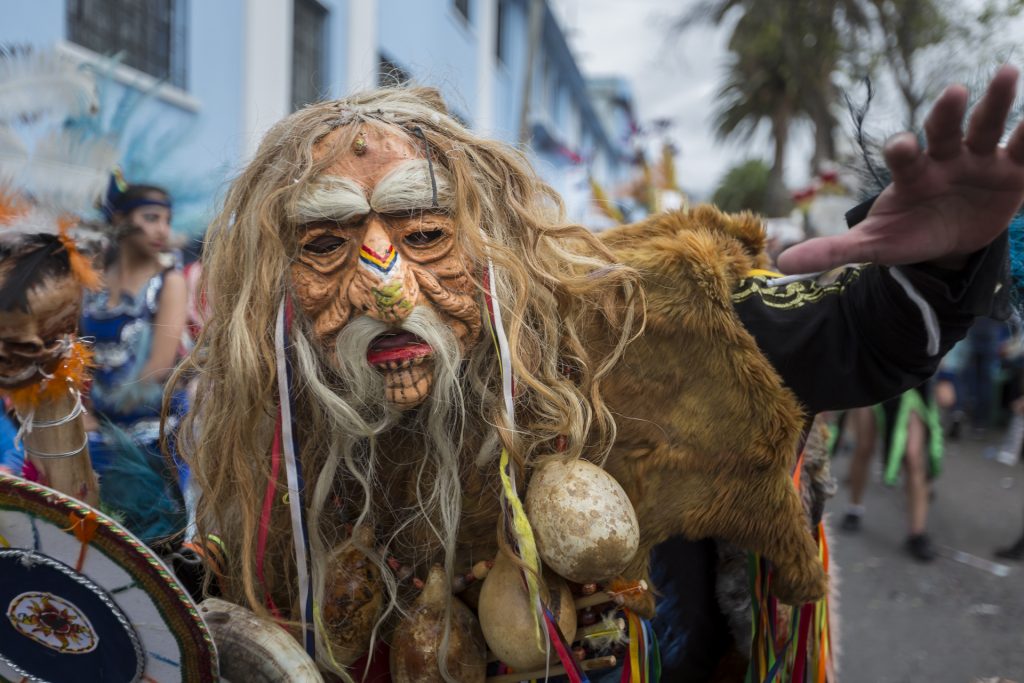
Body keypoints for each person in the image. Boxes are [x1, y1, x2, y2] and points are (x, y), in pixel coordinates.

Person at [171, 67, 1024, 682]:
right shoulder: (269, 422)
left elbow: (844, 340)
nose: (385, 289)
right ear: (273, 277)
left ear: (493, 238)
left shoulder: (633, 323)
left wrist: (938, 265)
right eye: (326, 245)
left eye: (425, 235)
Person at [79, 182, 189, 543]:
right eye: (151, 218)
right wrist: (83, 412)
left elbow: (158, 368)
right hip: (95, 427)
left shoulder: (169, 281)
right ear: (121, 220)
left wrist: (102, 416)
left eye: (167, 220)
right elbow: (74, 354)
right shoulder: (91, 282)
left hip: (152, 435)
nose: (162, 230)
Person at [838, 383, 944, 561]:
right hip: (875, 379)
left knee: (913, 457)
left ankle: (917, 532)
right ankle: (854, 508)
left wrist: (947, 377)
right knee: (864, 446)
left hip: (911, 385)